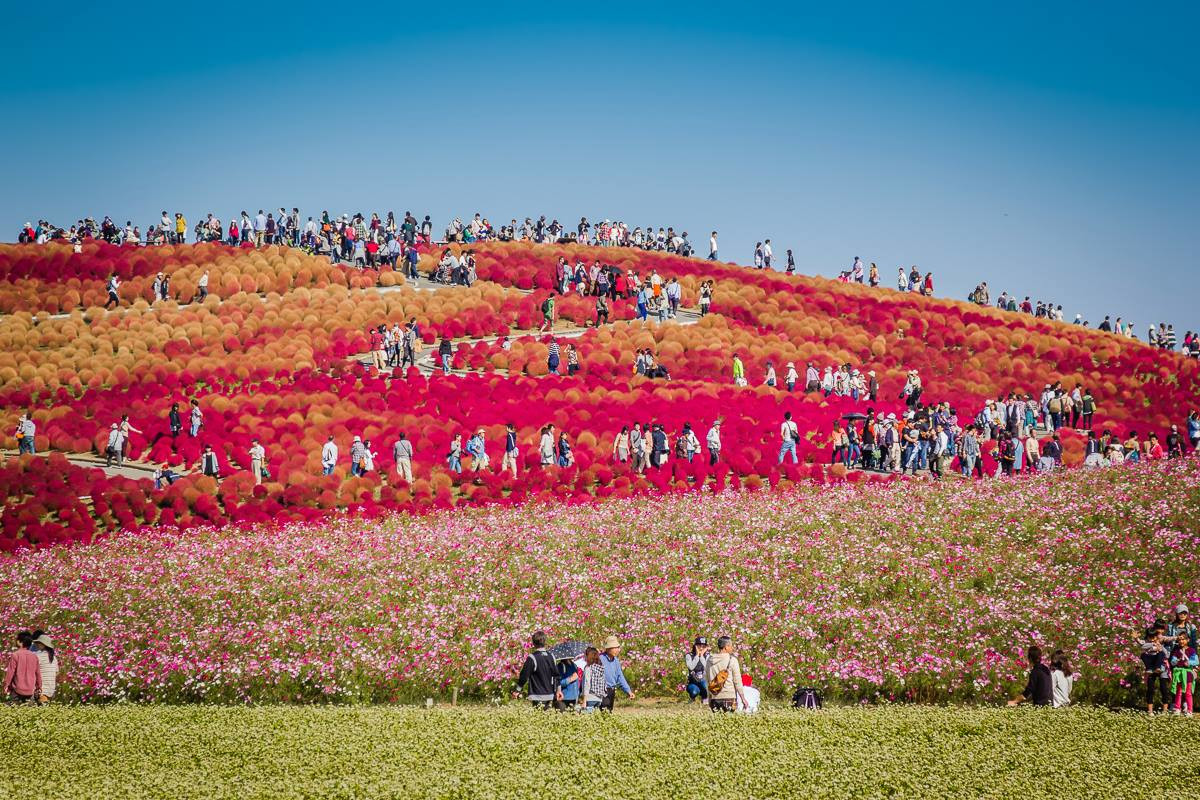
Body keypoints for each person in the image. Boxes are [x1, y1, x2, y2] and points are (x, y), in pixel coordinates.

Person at [515, 631, 562, 709]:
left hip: (537, 695)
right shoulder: (551, 656)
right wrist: (559, 690)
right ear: (545, 642)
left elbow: (524, 675)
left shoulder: (532, 658)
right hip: (550, 695)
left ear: (533, 643)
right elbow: (557, 675)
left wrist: (517, 690)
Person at [705, 635, 748, 713]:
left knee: (716, 724)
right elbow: (737, 681)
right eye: (731, 646)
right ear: (726, 647)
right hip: (729, 697)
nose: (732, 648)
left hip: (715, 698)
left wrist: (709, 698)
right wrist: (743, 699)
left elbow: (708, 680)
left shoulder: (709, 660)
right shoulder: (732, 660)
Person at [3, 631, 41, 703]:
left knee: (14, 708)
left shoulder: (15, 655)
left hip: (17, 689)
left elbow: (10, 672)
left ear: (20, 642)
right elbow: (38, 673)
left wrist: (6, 685)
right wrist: (39, 686)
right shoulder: (34, 656)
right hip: (30, 690)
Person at [599, 636, 634, 711]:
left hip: (612, 690)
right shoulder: (600, 659)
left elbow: (620, 677)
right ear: (608, 649)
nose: (618, 650)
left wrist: (628, 691)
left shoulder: (616, 661)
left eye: (618, 647)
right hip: (602, 691)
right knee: (604, 713)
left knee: (609, 712)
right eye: (615, 648)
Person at [1169, 631, 1197, 715]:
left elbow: (1196, 661)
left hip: (1188, 674)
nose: (1181, 641)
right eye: (1180, 639)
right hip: (1179, 674)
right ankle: (1177, 708)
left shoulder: (1191, 650)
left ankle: (1189, 710)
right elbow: (1172, 661)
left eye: (1183, 639)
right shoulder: (1177, 651)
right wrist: (1175, 661)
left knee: (1188, 693)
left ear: (1188, 640)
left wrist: (1189, 663)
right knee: (1179, 692)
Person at [32, 634, 57, 704]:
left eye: (38, 643)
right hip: (51, 688)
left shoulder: (38, 656)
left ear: (43, 644)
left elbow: (32, 670)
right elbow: (56, 672)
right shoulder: (54, 657)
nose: (36, 645)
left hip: (42, 688)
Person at [579, 647, 606, 712]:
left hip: (589, 698)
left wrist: (584, 701)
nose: (584, 657)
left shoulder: (588, 668)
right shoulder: (600, 668)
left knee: (587, 720)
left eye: (585, 655)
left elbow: (586, 684)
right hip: (599, 698)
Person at [685, 637, 710, 703]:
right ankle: (692, 699)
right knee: (694, 692)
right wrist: (697, 656)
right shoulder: (689, 655)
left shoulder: (708, 656)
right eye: (699, 646)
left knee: (705, 684)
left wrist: (701, 656)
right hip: (693, 682)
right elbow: (691, 667)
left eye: (703, 646)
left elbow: (707, 667)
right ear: (695, 646)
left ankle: (705, 698)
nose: (701, 648)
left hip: (704, 681)